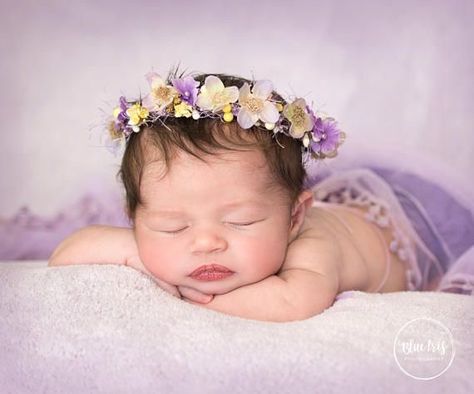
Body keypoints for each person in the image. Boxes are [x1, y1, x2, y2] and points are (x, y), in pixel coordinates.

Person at [48, 67, 463, 322]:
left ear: (295, 219)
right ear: (133, 219)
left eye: (240, 222)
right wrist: (134, 250)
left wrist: (189, 295)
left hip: (413, 231)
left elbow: (292, 303)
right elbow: (65, 254)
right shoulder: (158, 230)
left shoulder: (313, 249)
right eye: (172, 226)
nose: (207, 242)